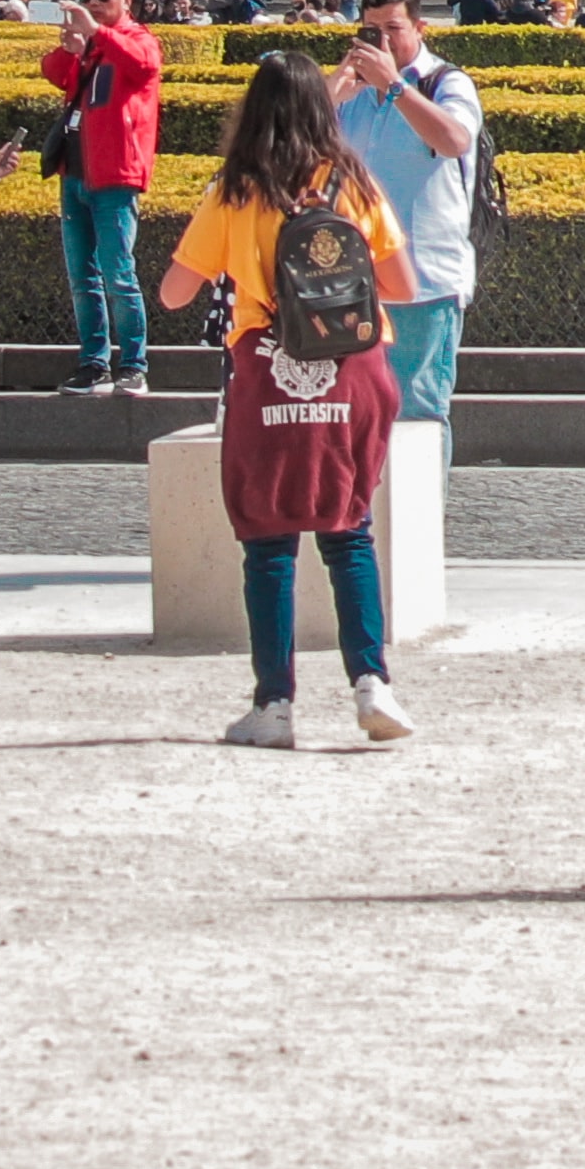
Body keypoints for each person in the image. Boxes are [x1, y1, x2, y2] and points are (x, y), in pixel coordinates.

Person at [157, 50, 421, 751]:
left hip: (269, 370)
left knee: (268, 542)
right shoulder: (353, 182)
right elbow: (401, 285)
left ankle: (273, 703)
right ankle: (372, 682)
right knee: (349, 528)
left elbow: (174, 293)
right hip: (354, 373)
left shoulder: (235, 190)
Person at [332, 0, 488, 425]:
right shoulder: (352, 93)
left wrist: (396, 86)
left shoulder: (446, 82)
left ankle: (418, 499)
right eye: (371, 30)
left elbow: (455, 139)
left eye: (393, 29)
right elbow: (292, 148)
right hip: (354, 283)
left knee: (417, 414)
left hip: (426, 282)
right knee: (352, 417)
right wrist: (330, 92)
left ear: (420, 28)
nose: (381, 42)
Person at [36, 0, 166, 395]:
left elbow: (143, 65)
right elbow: (53, 73)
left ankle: (133, 363)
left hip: (115, 177)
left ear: (125, 0)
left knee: (118, 273)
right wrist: (73, 48)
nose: (93, 3)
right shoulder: (94, 47)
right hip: (75, 173)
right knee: (83, 276)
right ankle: (94, 362)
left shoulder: (139, 40)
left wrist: (96, 34)